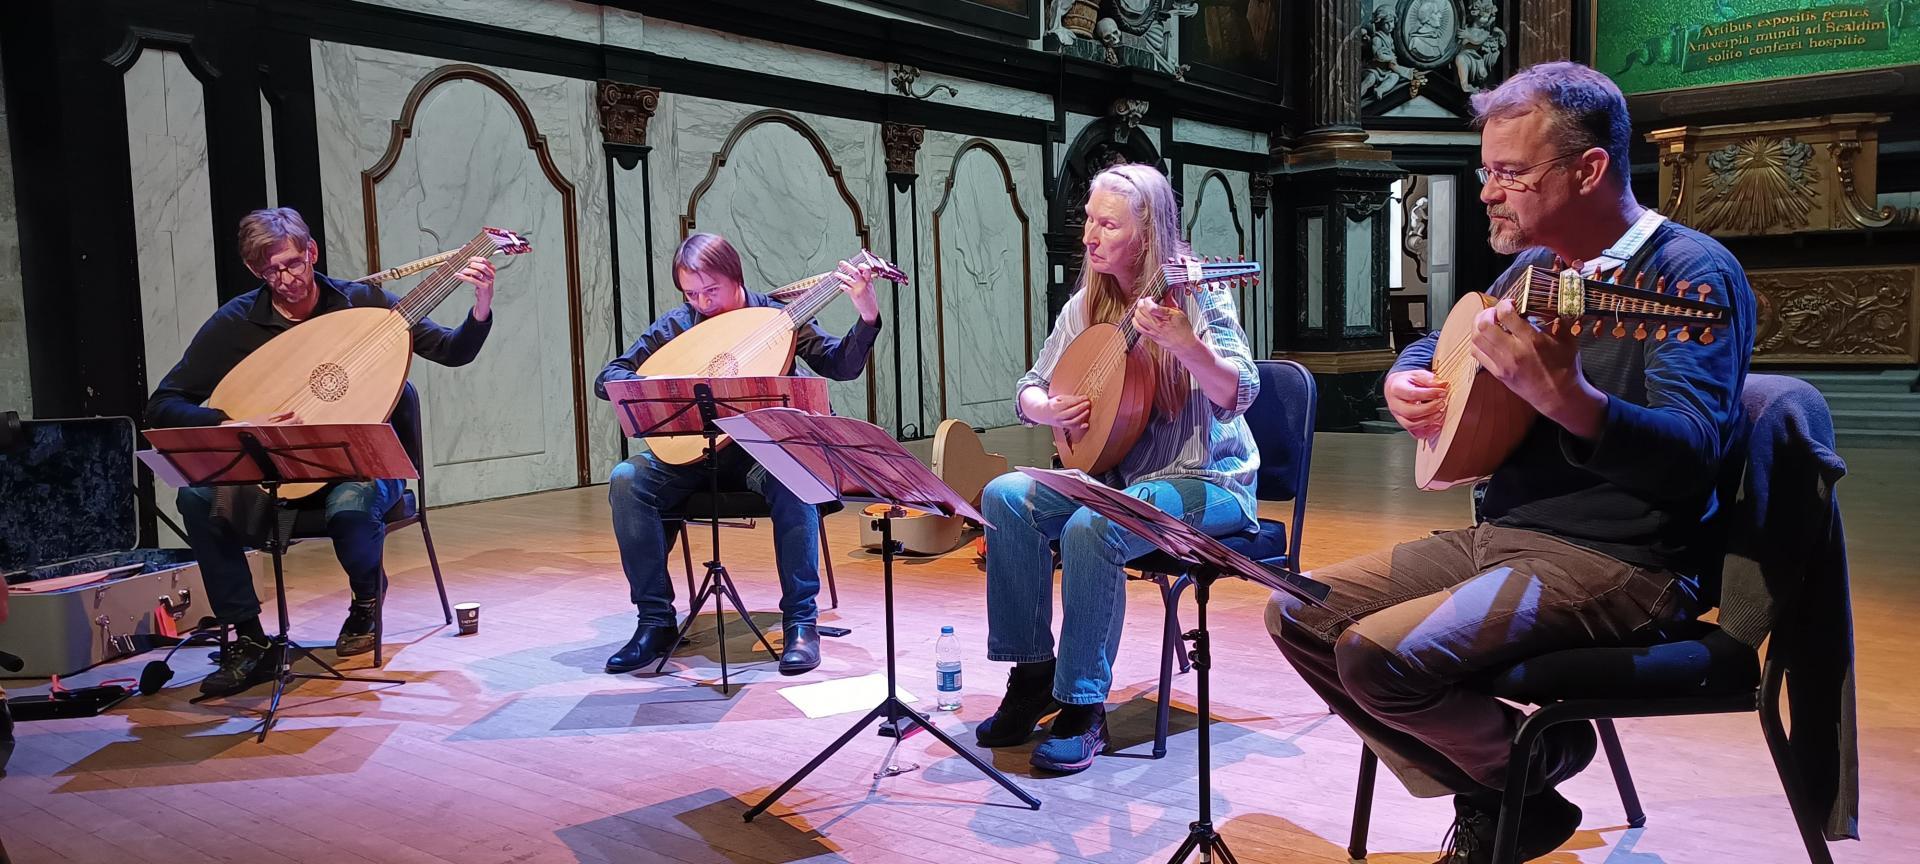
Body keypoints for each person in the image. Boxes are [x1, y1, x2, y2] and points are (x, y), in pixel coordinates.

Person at [1265, 61, 1756, 863]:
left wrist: (1568, 398)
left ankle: (1515, 780)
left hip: (1625, 561)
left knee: (1375, 655)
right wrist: (1406, 374)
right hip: (1508, 532)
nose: (1488, 191)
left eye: (1509, 173)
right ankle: (1517, 777)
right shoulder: (1539, 269)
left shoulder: (1690, 275)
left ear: (1590, 168)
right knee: (1297, 612)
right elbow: (1452, 334)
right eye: (1485, 170)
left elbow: (1693, 457)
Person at [973, 163, 1261, 775]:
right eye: (1088, 221)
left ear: (1148, 230)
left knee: (1091, 527)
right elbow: (1028, 387)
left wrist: (1187, 344)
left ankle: (1083, 705)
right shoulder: (1088, 304)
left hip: (1210, 483)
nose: (1089, 236)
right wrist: (1047, 407)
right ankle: (1033, 674)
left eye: (1107, 224)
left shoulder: (1198, 292)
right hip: (1124, 482)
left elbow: (1241, 392)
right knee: (1002, 495)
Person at [147, 208, 495, 697]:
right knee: (196, 501)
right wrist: (232, 422)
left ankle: (366, 600)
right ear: (254, 272)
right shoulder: (237, 323)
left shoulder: (363, 301)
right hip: (274, 471)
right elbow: (163, 404)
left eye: (292, 263)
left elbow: (450, 350)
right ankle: (249, 638)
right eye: (269, 271)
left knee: (350, 505)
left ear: (311, 252)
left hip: (360, 465)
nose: (284, 279)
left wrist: (480, 306)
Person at [597, 233, 882, 677]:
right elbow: (611, 376)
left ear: (736, 279)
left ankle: (800, 623)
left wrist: (866, 313)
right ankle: (654, 622)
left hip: (759, 458)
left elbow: (840, 365)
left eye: (711, 290)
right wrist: (663, 383)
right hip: (691, 456)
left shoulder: (779, 318)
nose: (702, 303)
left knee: (795, 475)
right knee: (627, 480)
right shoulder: (678, 325)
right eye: (691, 293)